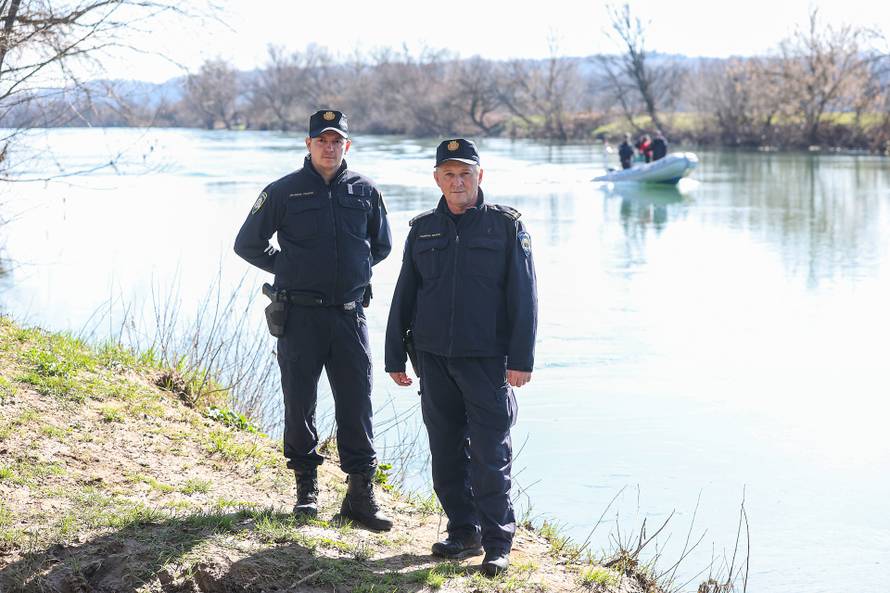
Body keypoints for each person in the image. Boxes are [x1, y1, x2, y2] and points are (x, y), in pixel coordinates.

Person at [233, 109, 393, 531]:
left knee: (357, 405)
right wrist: (289, 268)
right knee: (299, 403)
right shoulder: (283, 192)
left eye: (336, 140)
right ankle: (306, 491)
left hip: (349, 316)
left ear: (347, 145)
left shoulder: (366, 191)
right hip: (299, 315)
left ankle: (360, 495)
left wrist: (352, 270)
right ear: (308, 144)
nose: (329, 146)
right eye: (321, 140)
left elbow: (381, 246)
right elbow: (247, 244)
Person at [385, 138, 538, 577]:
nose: (457, 182)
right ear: (437, 178)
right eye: (448, 174)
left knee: (490, 454)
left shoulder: (505, 228)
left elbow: (524, 297)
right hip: (433, 360)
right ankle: (463, 531)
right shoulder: (422, 229)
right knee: (446, 453)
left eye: (465, 173)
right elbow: (404, 297)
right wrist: (396, 354)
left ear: (480, 176)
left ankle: (497, 543)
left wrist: (521, 358)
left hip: (486, 361)